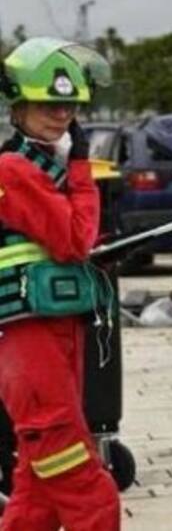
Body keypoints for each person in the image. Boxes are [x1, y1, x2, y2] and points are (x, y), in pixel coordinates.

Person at [0, 37, 120, 531]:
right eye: (48, 104)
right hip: (29, 339)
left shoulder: (40, 165)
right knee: (89, 491)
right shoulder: (13, 169)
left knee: (36, 495)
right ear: (19, 107)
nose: (61, 114)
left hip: (55, 327)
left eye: (69, 105)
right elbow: (73, 240)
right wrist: (82, 170)